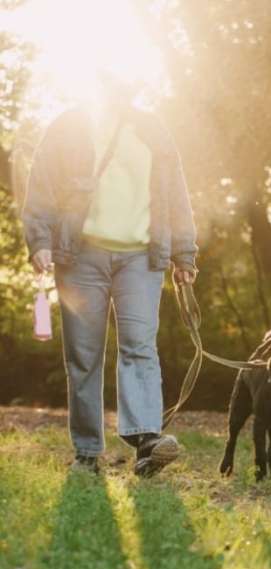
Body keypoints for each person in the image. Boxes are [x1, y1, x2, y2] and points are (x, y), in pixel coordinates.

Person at [22, 72, 198, 476]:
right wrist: (40, 240)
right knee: (83, 356)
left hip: (141, 256)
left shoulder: (153, 131)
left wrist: (184, 254)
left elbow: (176, 194)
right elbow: (41, 187)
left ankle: (146, 441)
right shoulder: (67, 127)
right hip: (80, 256)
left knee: (140, 345)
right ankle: (87, 452)